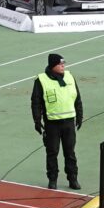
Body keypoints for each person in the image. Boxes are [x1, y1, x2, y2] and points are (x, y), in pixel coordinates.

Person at [31, 53, 83, 191]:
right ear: (53, 65)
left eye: (63, 64)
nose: (63, 66)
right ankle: (52, 179)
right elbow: (36, 102)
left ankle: (73, 179)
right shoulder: (41, 80)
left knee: (70, 152)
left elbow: (77, 98)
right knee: (52, 152)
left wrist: (80, 115)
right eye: (60, 64)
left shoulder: (70, 77)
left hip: (69, 123)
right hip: (52, 123)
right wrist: (37, 120)